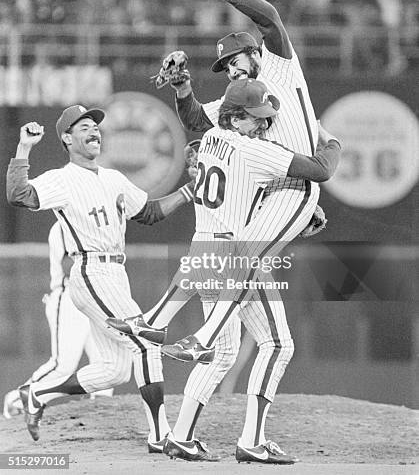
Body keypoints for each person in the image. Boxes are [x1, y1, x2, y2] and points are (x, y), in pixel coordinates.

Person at [108, 79, 341, 464]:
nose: (264, 126)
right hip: (234, 253)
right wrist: (332, 143)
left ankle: (180, 435)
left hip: (205, 249)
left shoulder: (214, 136)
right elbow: (320, 169)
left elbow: (245, 182)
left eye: (267, 120)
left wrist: (295, 213)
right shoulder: (252, 148)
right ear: (234, 117)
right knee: (278, 344)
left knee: (225, 352)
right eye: (256, 119)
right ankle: (252, 440)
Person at [6, 104, 195, 449]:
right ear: (66, 138)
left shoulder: (113, 178)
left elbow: (149, 212)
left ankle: (37, 393)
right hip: (90, 269)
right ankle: (160, 435)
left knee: (116, 369)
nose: (94, 131)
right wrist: (24, 149)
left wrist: (186, 192)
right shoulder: (62, 179)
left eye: (95, 126)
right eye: (83, 127)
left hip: (115, 273)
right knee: (146, 342)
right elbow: (19, 195)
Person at [3, 221, 113, 420]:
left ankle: (100, 417)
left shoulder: (93, 216)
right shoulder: (65, 224)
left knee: (108, 363)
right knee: (63, 366)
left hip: (96, 297)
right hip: (70, 297)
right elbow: (72, 265)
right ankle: (18, 400)